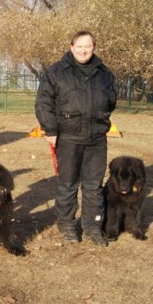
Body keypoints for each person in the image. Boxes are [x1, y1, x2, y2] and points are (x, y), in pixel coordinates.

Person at [35, 30, 116, 246]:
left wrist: (100, 119)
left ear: (94, 48)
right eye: (79, 46)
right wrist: (50, 130)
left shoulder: (104, 73)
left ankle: (92, 227)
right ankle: (67, 225)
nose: (83, 50)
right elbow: (44, 103)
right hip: (68, 138)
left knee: (93, 186)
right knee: (68, 185)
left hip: (97, 139)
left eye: (88, 46)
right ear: (71, 47)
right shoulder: (55, 72)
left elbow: (111, 101)